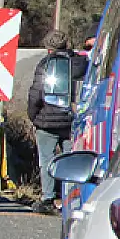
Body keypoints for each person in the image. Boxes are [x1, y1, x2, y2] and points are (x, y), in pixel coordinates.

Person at [27, 29, 89, 215]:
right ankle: (70, 198)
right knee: (71, 160)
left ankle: (48, 198)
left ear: (49, 48)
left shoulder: (46, 65)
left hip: (46, 121)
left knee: (46, 160)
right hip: (72, 120)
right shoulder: (80, 63)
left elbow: (36, 94)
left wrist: (34, 116)